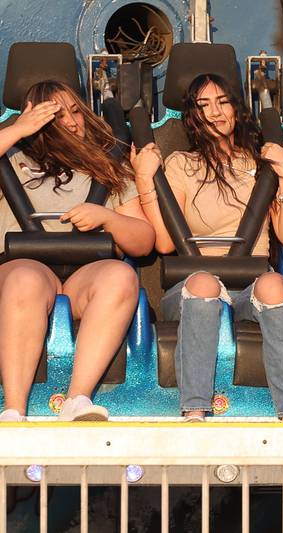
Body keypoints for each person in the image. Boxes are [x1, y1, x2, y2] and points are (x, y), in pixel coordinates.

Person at [131, 73, 283, 422]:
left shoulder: (260, 164)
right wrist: (143, 179)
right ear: (192, 116)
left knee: (276, 285)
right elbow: (166, 242)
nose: (214, 113)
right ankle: (194, 410)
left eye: (222, 102)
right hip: (192, 284)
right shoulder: (181, 164)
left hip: (250, 283)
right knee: (205, 284)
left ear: (236, 108)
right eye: (203, 106)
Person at [0, 80, 155, 422]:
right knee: (26, 278)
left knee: (121, 275)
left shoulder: (106, 165)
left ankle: (78, 399)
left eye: (75, 112)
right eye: (57, 117)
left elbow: (144, 240)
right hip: (22, 266)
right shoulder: (11, 158)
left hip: (83, 272)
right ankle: (14, 410)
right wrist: (16, 130)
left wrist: (108, 218)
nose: (72, 123)